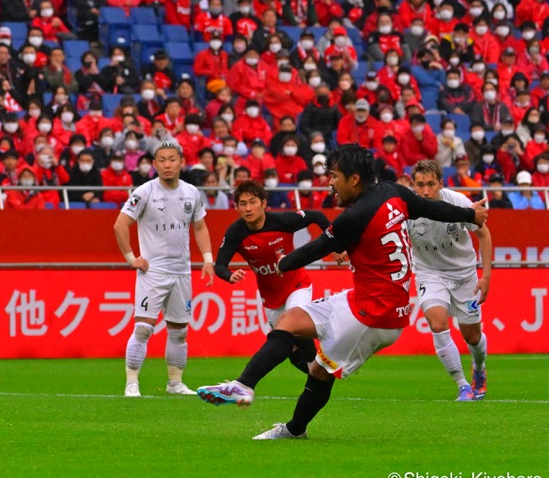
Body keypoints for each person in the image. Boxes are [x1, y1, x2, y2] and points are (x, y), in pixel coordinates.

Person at [197, 143, 488, 439]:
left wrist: (284, 262)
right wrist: (468, 214)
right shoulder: (395, 193)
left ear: (354, 179)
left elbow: (316, 248)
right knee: (290, 320)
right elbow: (433, 208)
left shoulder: (355, 217)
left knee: (320, 371)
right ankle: (243, 385)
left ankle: (293, 430)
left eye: (334, 175)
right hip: (366, 301)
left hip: (374, 316)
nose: (330, 182)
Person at [113, 141, 216, 398]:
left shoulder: (191, 192)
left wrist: (208, 260)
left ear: (181, 162)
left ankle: (175, 383)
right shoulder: (145, 192)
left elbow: (200, 227)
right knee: (144, 328)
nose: (167, 164)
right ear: (155, 164)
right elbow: (120, 225)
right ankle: (132, 383)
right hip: (153, 272)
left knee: (179, 331)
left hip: (181, 272)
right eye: (161, 160)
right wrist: (131, 258)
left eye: (172, 159)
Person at [211, 180, 334, 373]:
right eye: (243, 204)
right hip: (271, 298)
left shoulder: (282, 221)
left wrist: (336, 246)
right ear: (236, 208)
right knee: (289, 347)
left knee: (297, 324)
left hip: (297, 284)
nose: (248, 208)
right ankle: (317, 370)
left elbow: (316, 216)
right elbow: (219, 265)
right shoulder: (236, 232)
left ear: (263, 203)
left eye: (252, 202)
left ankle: (316, 369)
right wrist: (229, 275)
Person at [409, 160, 492, 401]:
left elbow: (484, 234)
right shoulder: (407, 210)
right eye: (420, 185)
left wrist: (485, 276)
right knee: (437, 324)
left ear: (441, 184)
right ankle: (462, 385)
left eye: (431, 184)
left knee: (472, 337)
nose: (425, 191)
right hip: (429, 274)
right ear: (413, 185)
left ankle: (479, 369)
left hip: (465, 275)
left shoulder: (458, 201)